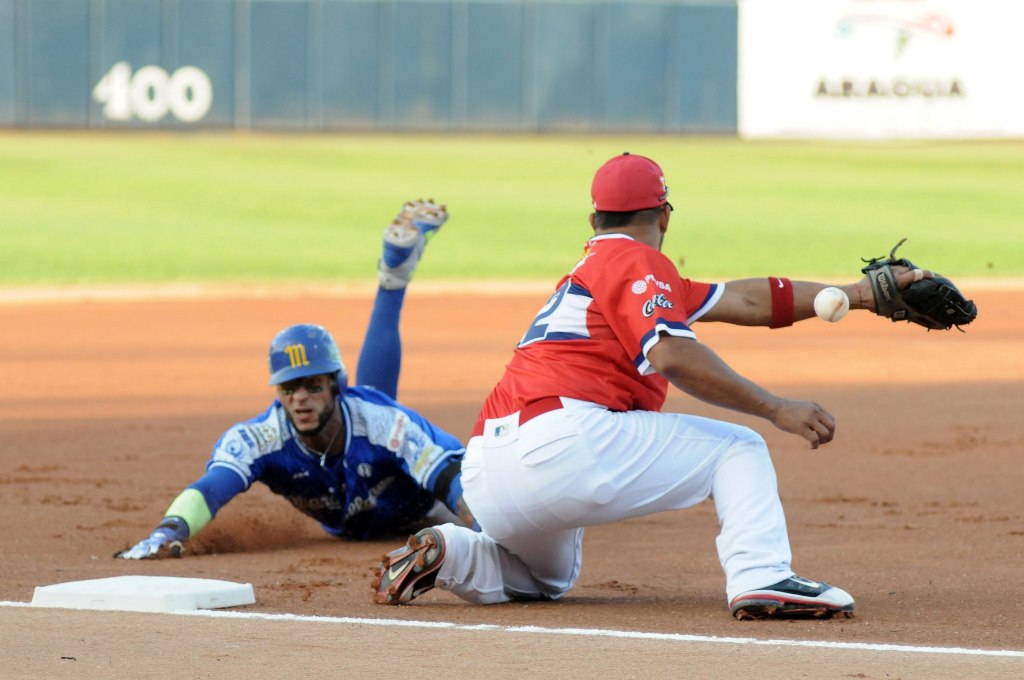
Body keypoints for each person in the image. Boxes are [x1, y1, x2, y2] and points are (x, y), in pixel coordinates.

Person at [371, 153, 932, 619]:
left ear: (593, 220)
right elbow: (672, 357)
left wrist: (857, 294)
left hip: (489, 469)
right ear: (665, 215)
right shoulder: (637, 263)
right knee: (738, 449)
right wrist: (774, 407)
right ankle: (762, 576)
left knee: (546, 578)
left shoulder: (596, 270)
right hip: (564, 441)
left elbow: (745, 298)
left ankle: (454, 553)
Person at [116, 199, 475, 559]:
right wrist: (170, 528)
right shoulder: (263, 438)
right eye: (289, 388)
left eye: (313, 385)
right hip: (354, 524)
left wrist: (485, 523)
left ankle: (393, 281)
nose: (300, 398)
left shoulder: (389, 424)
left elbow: (448, 475)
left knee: (376, 412)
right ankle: (394, 276)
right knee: (372, 409)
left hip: (428, 512)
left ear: (337, 384)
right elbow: (211, 488)